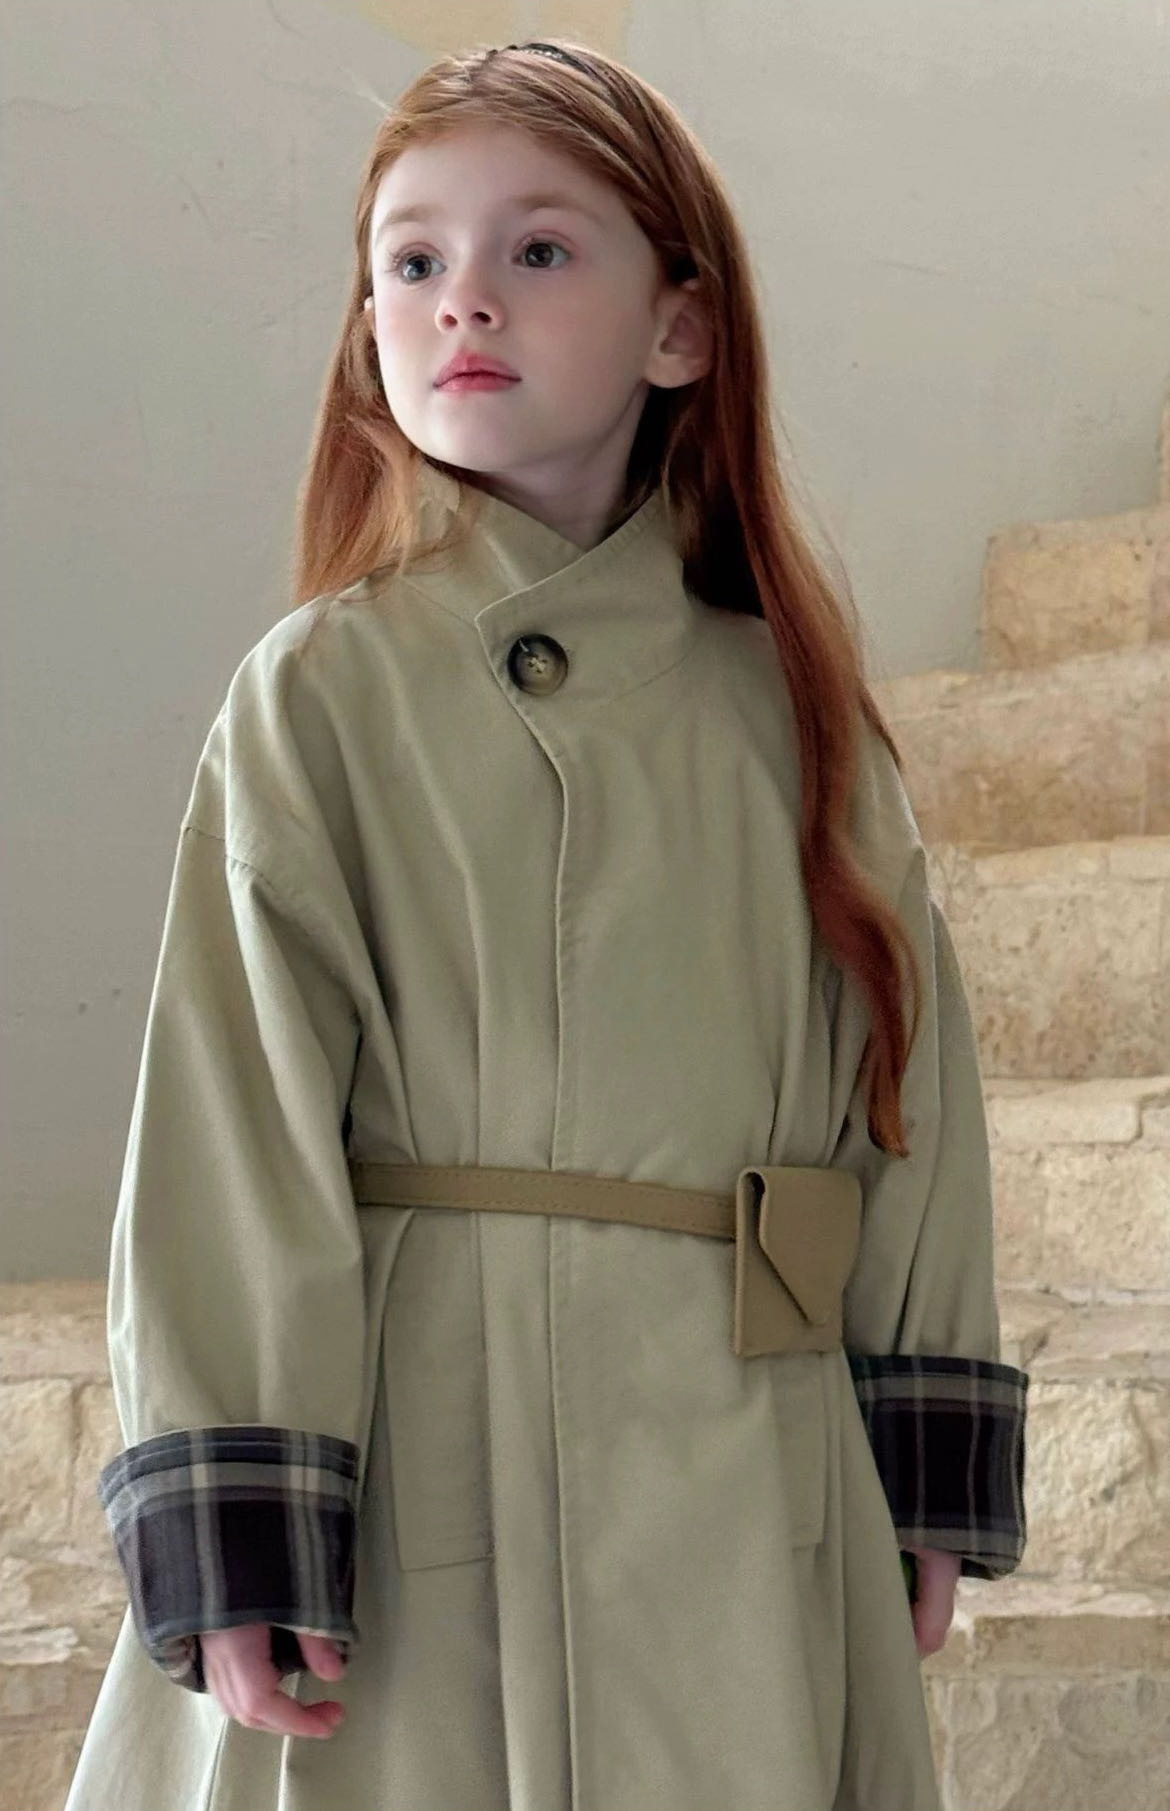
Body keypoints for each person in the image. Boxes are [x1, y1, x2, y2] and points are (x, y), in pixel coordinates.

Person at [64, 38, 1028, 1811]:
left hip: (746, 1470)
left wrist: (918, 1442)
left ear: (682, 328)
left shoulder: (790, 713)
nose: (463, 299)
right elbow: (229, 1117)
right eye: (411, 260)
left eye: (538, 248)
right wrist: (242, 1511)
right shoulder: (322, 694)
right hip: (415, 1464)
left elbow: (910, 1096)